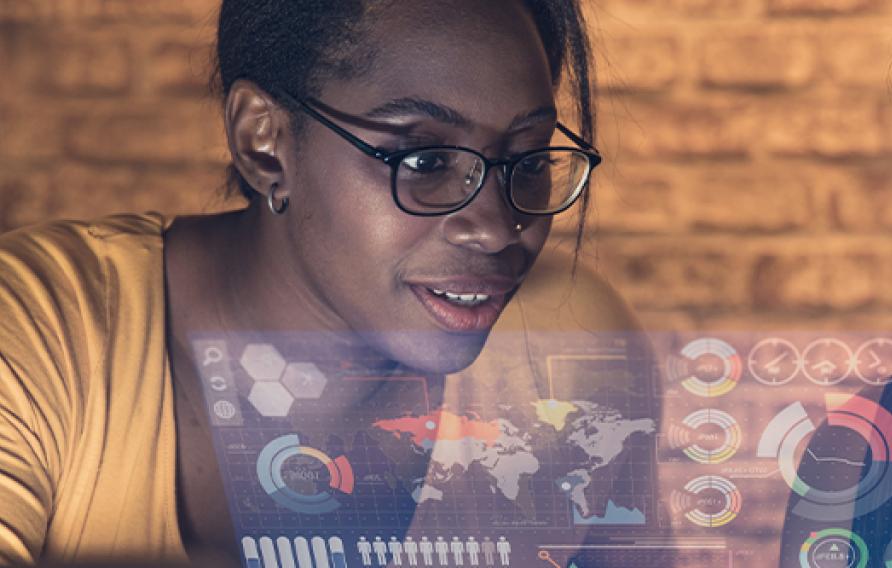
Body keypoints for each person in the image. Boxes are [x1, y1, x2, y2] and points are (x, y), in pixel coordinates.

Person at [0, 0, 649, 566]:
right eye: (422, 159)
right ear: (265, 143)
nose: (497, 229)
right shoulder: (40, 327)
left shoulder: (572, 354)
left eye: (527, 158)